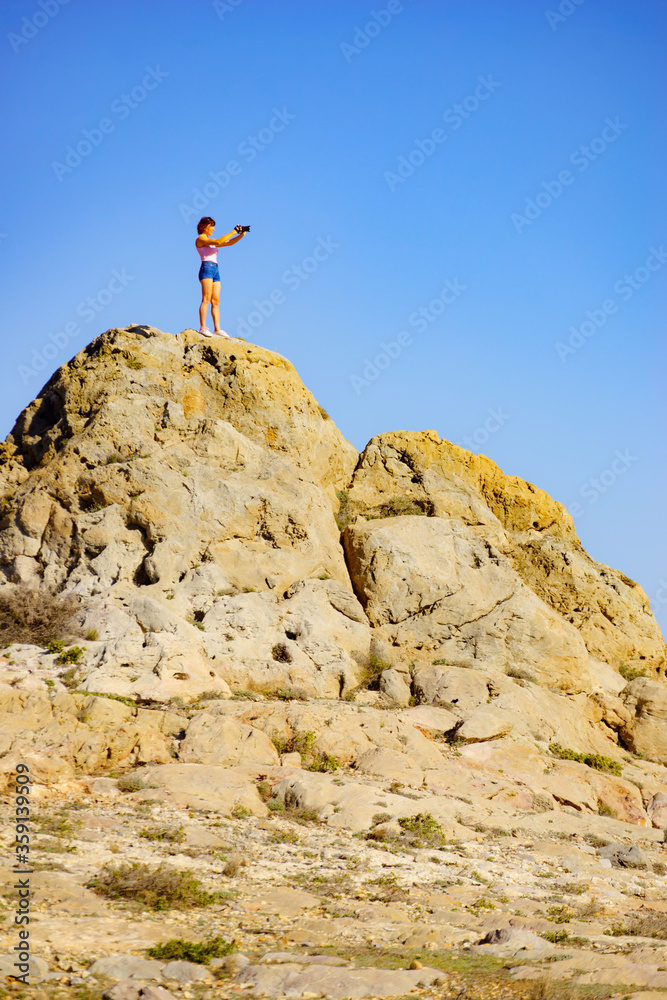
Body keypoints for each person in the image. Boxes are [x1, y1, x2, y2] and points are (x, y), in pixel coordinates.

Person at [195, 217, 246, 337]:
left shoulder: (210, 242)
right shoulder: (201, 238)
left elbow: (229, 243)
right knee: (206, 299)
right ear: (204, 227)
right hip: (206, 267)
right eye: (211, 226)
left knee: (215, 301)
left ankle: (217, 329)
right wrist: (233, 231)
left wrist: (241, 234)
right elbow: (218, 241)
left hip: (215, 269)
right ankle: (203, 327)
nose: (213, 229)